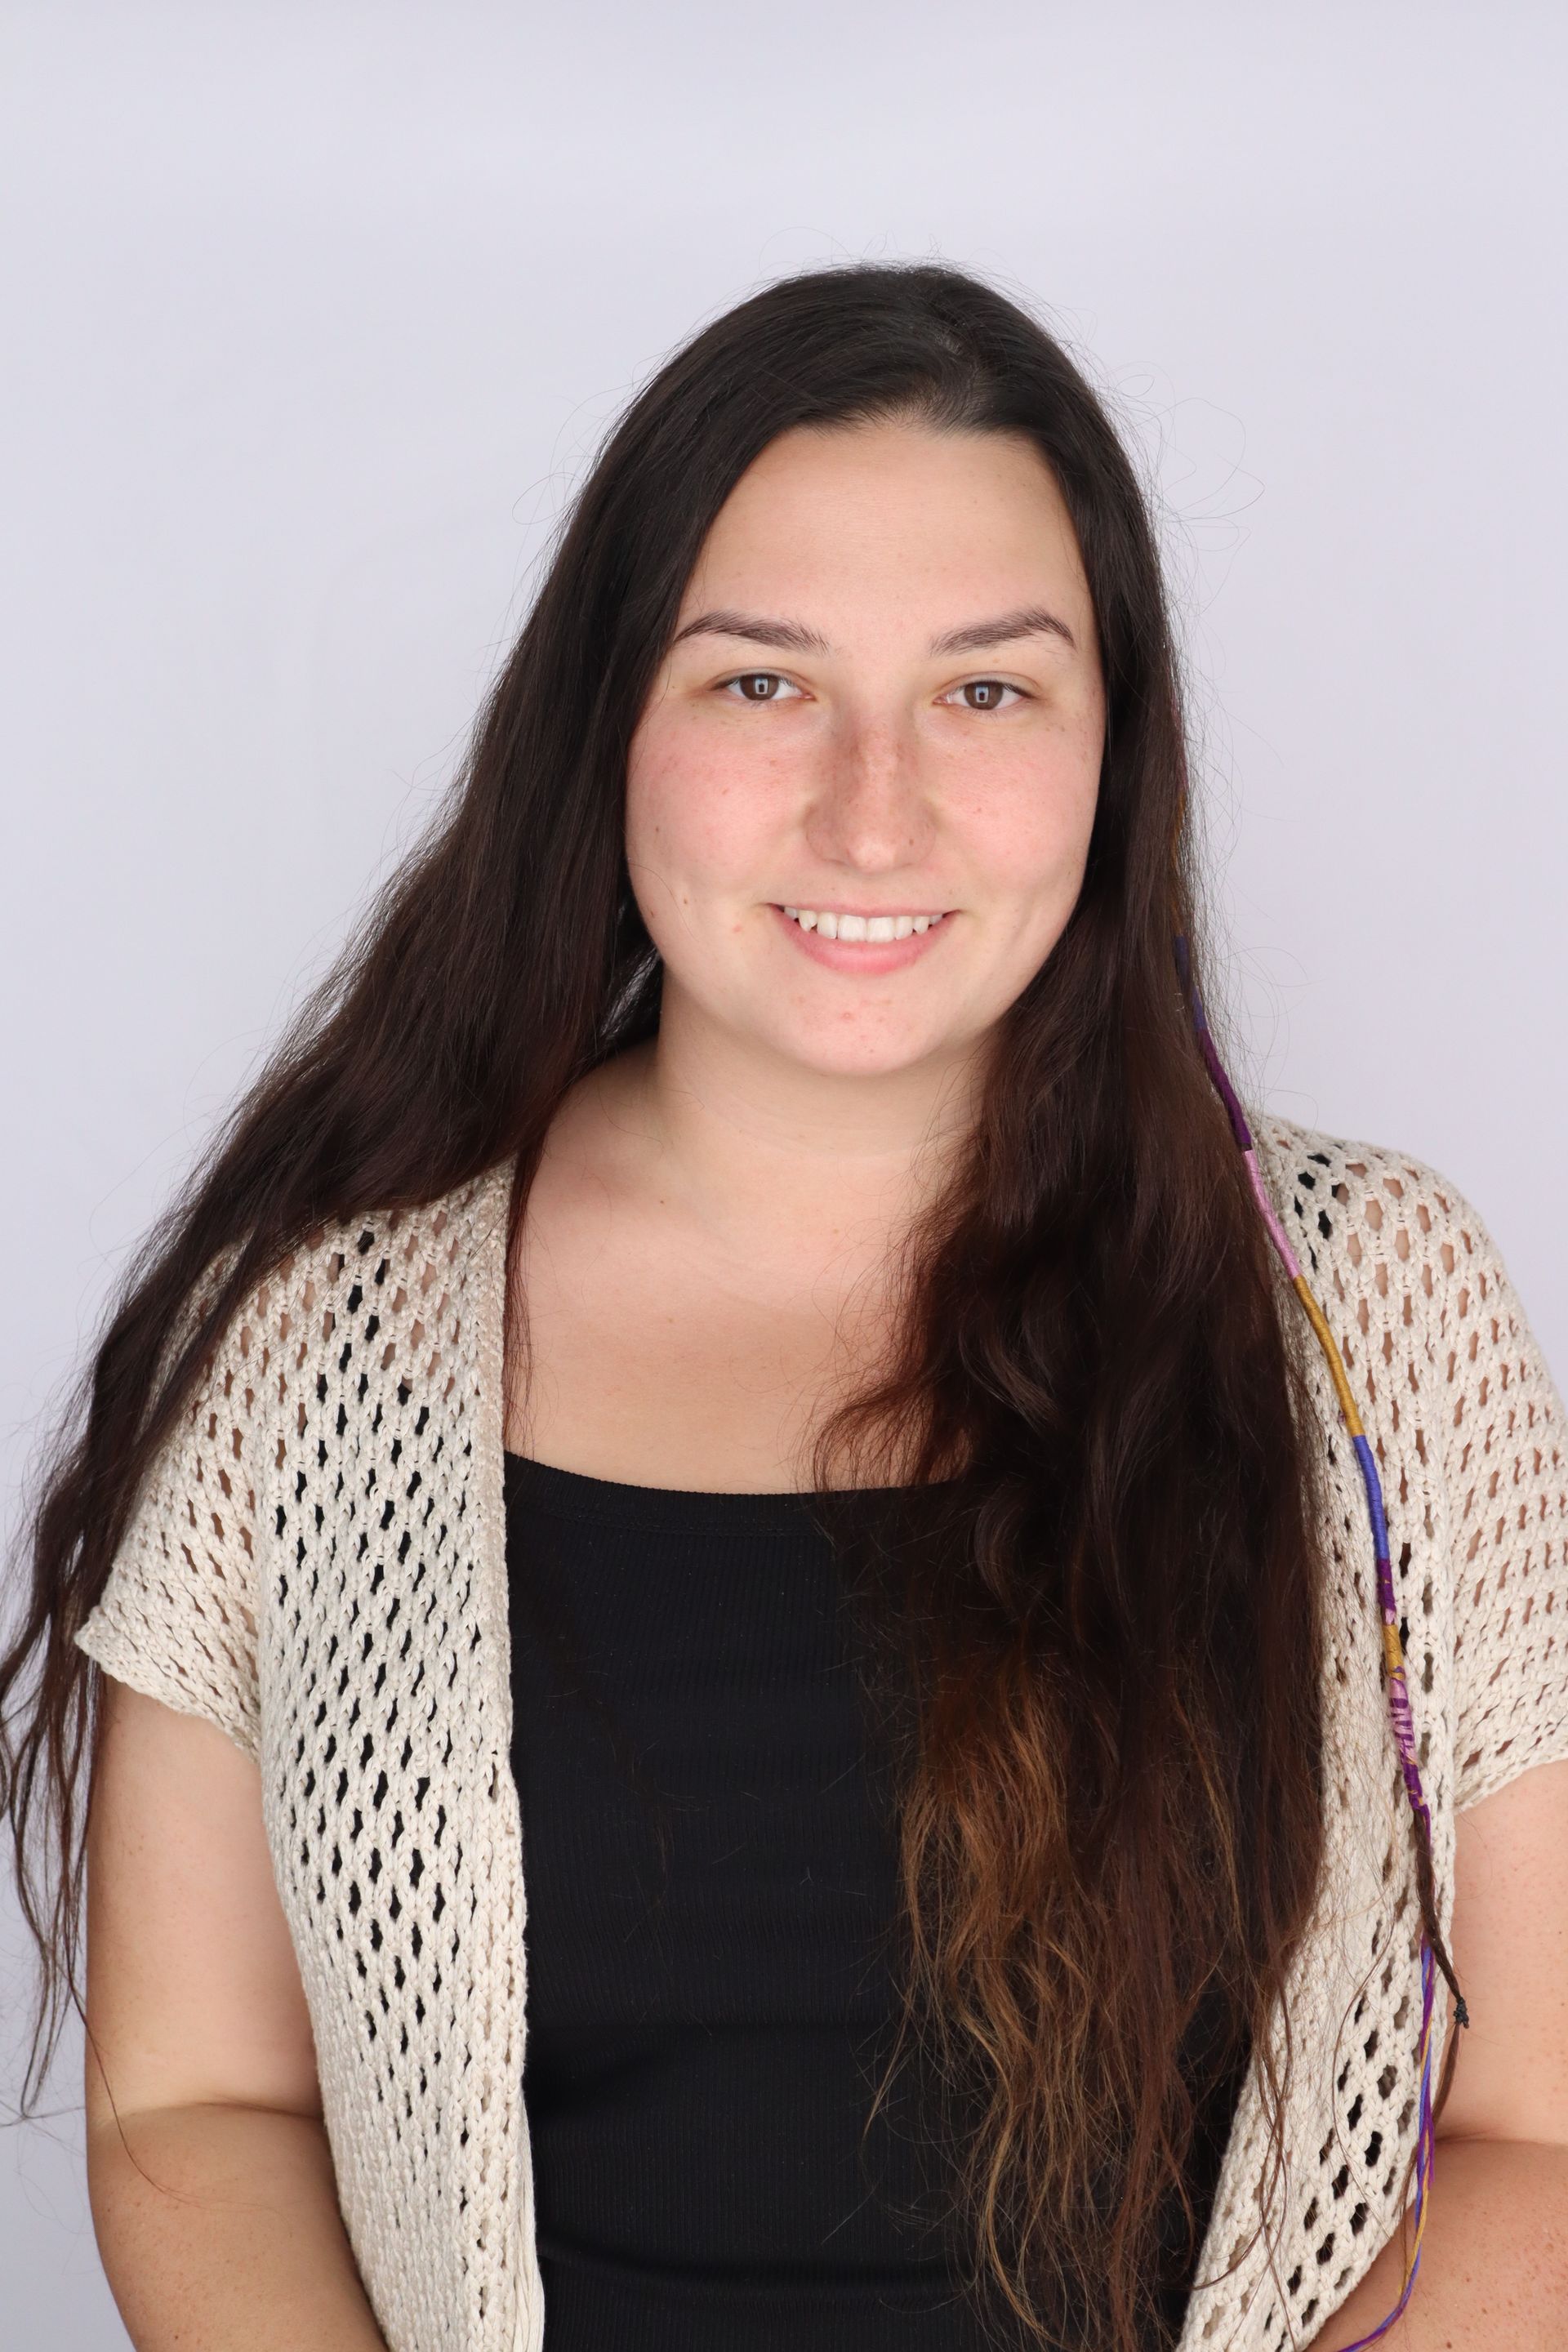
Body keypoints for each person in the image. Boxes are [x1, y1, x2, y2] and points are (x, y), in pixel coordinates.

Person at [3, 261, 1566, 2352]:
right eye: (761, 683)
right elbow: (203, 2101)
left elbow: (1539, 2125)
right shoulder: (317, 1337)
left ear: (1115, 750)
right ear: (610, 723)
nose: (873, 809)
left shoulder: (1373, 1307)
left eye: (988, 690)